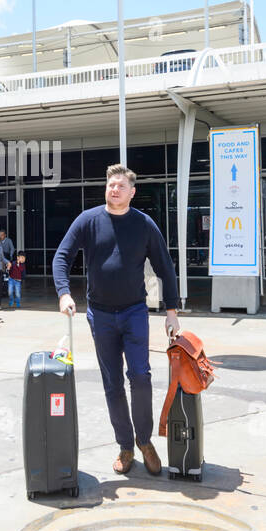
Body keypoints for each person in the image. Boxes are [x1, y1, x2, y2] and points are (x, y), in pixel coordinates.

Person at [52, 163, 180, 478]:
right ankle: (125, 446)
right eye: (111, 185)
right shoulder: (89, 220)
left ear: (132, 192)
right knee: (112, 384)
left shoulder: (144, 224)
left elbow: (165, 267)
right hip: (101, 315)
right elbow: (62, 256)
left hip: (135, 312)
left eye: (121, 186)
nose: (115, 190)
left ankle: (145, 441)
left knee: (140, 376)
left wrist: (172, 311)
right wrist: (64, 293)